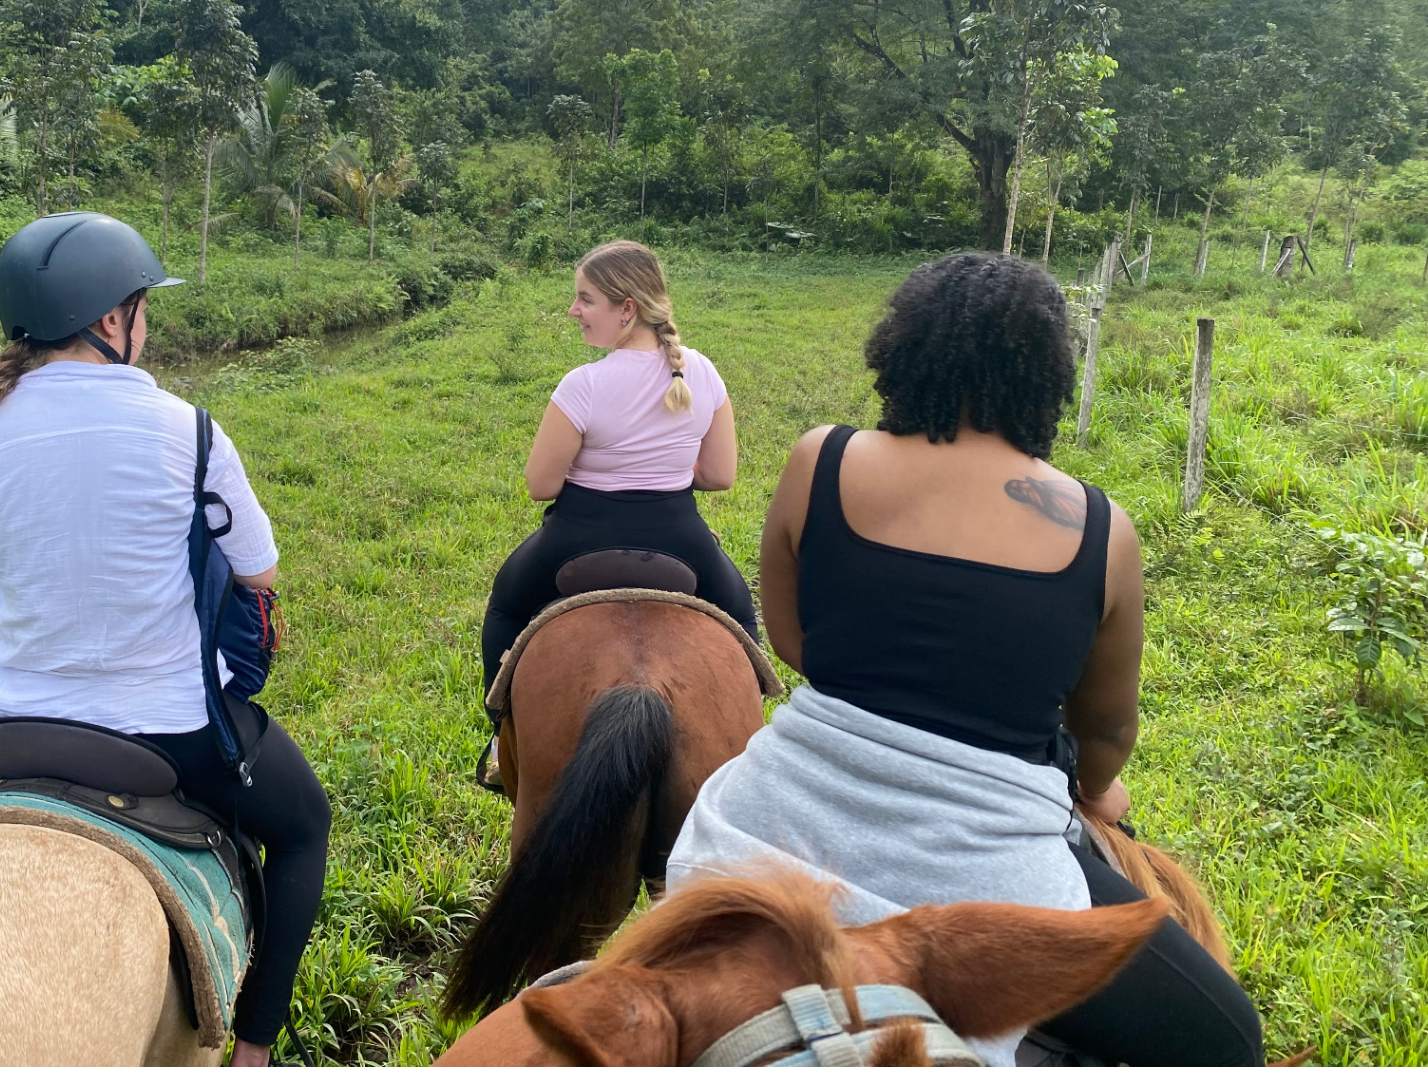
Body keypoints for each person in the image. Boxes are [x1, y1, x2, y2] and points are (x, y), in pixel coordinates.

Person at [667, 252, 1261, 1067]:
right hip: (995, 879)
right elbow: (1108, 729)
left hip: (760, 826)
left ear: (904, 347)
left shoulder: (821, 459)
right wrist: (1091, 777)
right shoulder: (1101, 530)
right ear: (1049, 373)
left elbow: (795, 640)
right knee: (1227, 1039)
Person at [0, 212, 330, 1067]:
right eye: (143, 309)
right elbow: (258, 576)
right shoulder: (191, 434)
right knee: (303, 828)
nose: (146, 325)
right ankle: (255, 1046)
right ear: (113, 321)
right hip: (169, 727)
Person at [480, 240, 757, 778]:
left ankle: (500, 741)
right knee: (743, 621)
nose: (573, 310)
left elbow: (540, 484)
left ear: (626, 308)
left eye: (585, 299)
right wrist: (663, 470)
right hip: (681, 537)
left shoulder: (582, 385)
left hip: (577, 536)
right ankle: (745, 741)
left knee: (506, 611)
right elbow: (720, 475)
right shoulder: (701, 373)